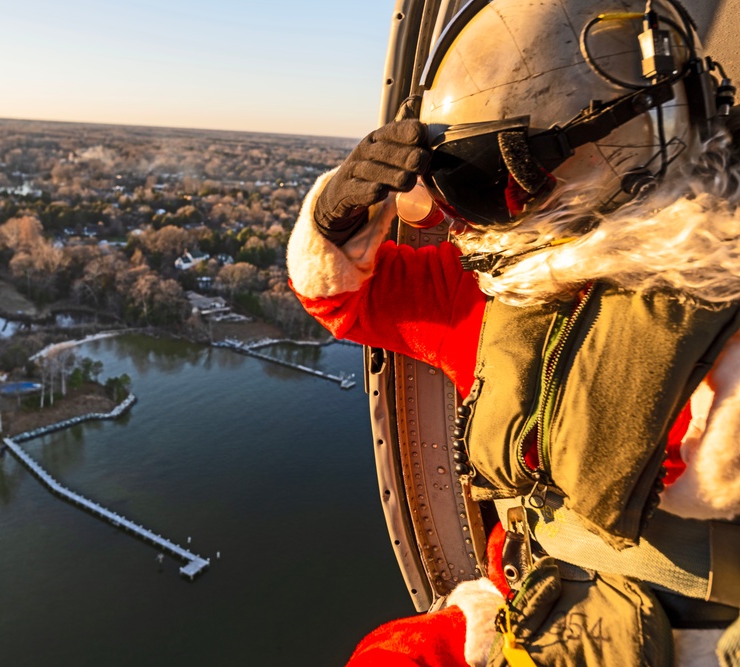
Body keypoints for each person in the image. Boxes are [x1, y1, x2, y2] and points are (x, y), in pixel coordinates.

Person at [287, 1, 740, 665]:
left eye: (494, 178)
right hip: (533, 618)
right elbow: (351, 297)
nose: (474, 211)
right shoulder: (491, 288)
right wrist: (337, 222)